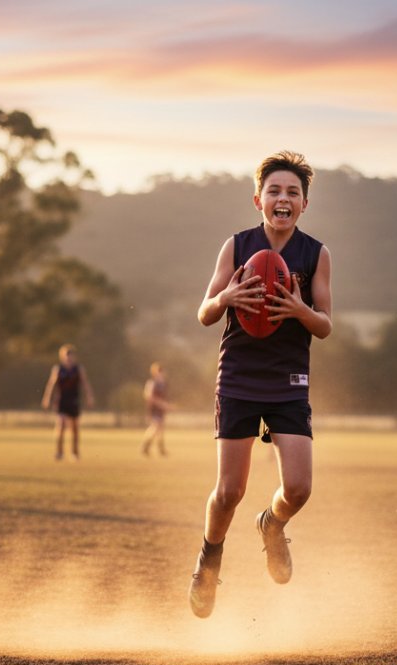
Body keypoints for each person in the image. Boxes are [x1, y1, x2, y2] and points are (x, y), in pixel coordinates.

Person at [188, 150, 333, 619]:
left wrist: (300, 311)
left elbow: (325, 324)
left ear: (304, 204)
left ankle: (272, 524)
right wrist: (226, 295)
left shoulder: (317, 254)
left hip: (289, 381)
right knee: (229, 492)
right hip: (239, 378)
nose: (283, 199)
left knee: (299, 487)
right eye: (275, 191)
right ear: (258, 199)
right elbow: (205, 312)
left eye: (293, 192)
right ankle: (208, 560)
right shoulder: (236, 246)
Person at [41, 344, 95, 461]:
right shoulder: (58, 369)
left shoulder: (78, 369)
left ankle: (75, 453)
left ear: (74, 357)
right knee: (60, 426)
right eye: (66, 356)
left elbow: (85, 384)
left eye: (71, 356)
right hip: (62, 401)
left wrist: (89, 396)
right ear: (62, 357)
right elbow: (51, 385)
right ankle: (59, 452)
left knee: (75, 428)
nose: (69, 358)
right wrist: (47, 398)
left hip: (74, 400)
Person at [140, 361, 172, 457]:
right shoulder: (152, 383)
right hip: (154, 409)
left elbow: (164, 396)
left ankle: (161, 449)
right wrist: (161, 404)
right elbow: (149, 396)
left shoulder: (163, 383)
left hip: (160, 409)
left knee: (160, 428)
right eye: (158, 371)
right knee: (155, 427)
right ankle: (145, 446)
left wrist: (165, 405)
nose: (160, 373)